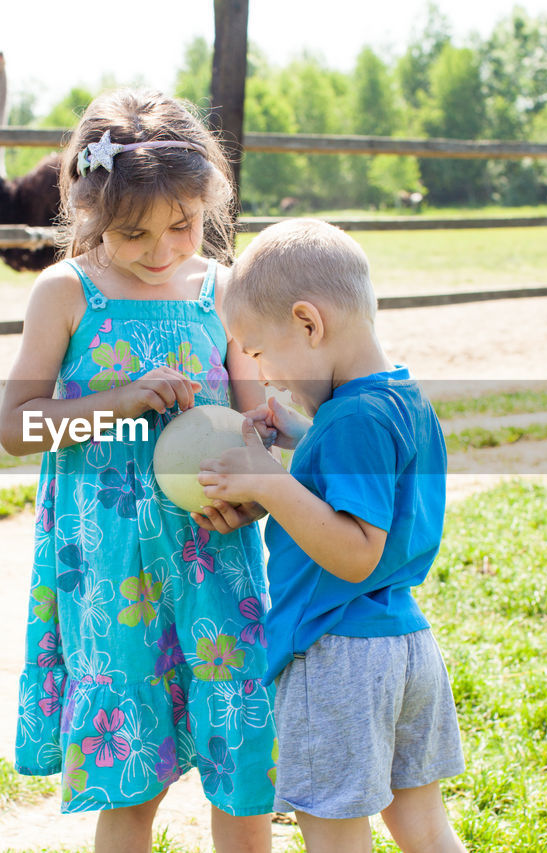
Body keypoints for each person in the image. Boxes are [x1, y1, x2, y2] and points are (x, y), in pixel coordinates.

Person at [0, 89, 276, 853]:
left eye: (182, 226)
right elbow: (16, 427)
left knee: (242, 755)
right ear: (90, 213)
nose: (160, 250)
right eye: (133, 233)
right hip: (110, 569)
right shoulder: (65, 292)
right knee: (132, 774)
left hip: (214, 554)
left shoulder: (223, 290)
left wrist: (254, 486)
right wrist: (116, 403)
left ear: (208, 203)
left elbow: (261, 420)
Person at [194, 218, 467, 853]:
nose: (260, 375)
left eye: (259, 351)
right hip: (404, 644)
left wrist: (267, 482)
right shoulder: (397, 400)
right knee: (425, 829)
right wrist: (296, 438)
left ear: (309, 323)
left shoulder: (351, 421)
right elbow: (370, 485)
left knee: (334, 833)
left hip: (338, 654)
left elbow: (354, 551)